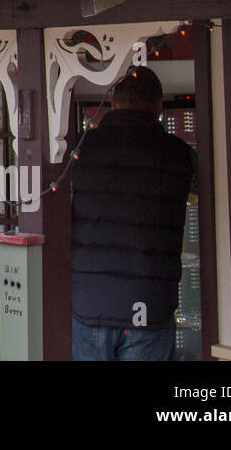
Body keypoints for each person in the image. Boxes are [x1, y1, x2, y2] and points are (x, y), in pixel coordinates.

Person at [70, 65, 196, 360]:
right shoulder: (178, 153)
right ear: (159, 106)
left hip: (89, 306)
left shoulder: (80, 148)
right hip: (149, 307)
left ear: (113, 103)